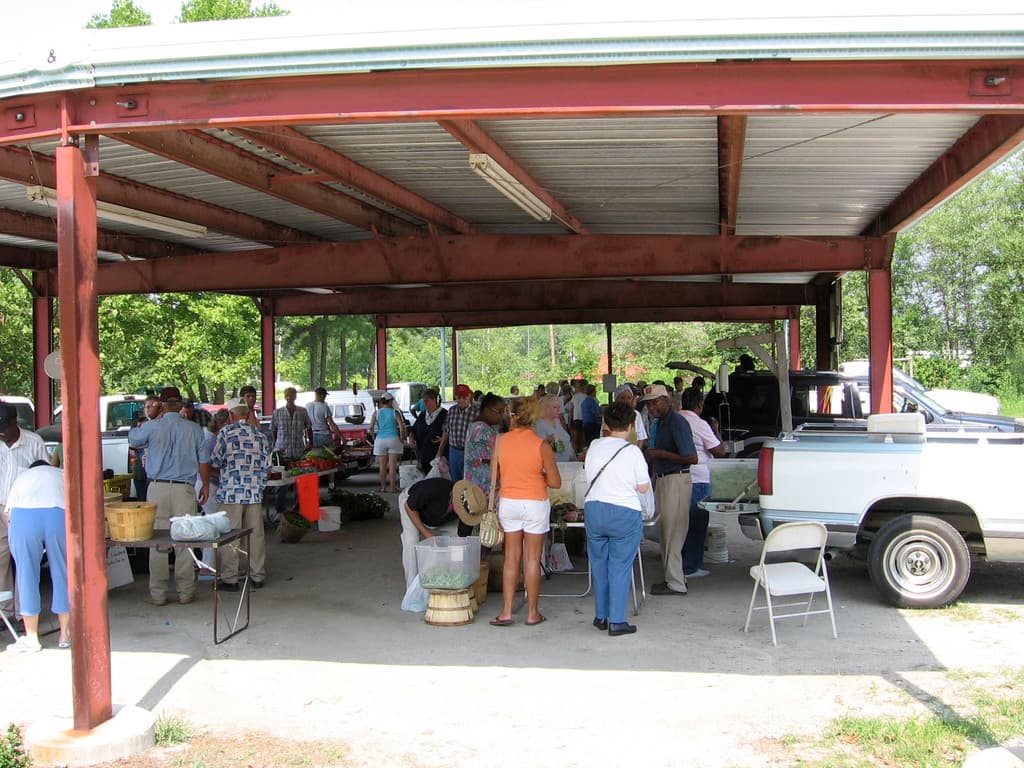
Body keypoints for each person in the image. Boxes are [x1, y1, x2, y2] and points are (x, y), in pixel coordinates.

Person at [128, 386, 211, 606]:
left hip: (157, 487)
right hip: (184, 488)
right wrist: (205, 486)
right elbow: (203, 460)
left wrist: (149, 417)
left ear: (161, 405)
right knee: (185, 540)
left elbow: (133, 440)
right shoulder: (193, 429)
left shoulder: (151, 427)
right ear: (181, 404)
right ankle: (185, 591)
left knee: (158, 541)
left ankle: (158, 593)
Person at [490, 398, 561, 628]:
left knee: (511, 558)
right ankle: (532, 613)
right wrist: (539, 473)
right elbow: (555, 482)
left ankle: (506, 611)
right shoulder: (541, 445)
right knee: (532, 558)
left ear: (513, 416)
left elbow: (497, 476)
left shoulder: (500, 441)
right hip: (535, 503)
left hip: (509, 502)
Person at [583, 402, 651, 637]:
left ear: (605, 424)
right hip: (624, 512)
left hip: (594, 509)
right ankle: (618, 620)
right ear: (631, 426)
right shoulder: (632, 451)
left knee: (599, 564)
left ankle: (601, 616)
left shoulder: (593, 445)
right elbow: (643, 487)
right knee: (620, 566)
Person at [4, 460, 70, 651]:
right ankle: (65, 634)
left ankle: (32, 637)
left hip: (24, 515)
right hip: (58, 513)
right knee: (62, 572)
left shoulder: (22, 477)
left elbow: (8, 517)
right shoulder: (61, 473)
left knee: (26, 575)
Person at [640, 384, 697, 597]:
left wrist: (660, 453)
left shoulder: (677, 422)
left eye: (655, 402)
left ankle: (676, 584)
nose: (652, 407)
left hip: (677, 479)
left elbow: (692, 458)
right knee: (666, 532)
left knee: (674, 533)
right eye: (648, 404)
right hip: (664, 479)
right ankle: (673, 578)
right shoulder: (661, 423)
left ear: (666, 400)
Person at [211, 402, 271, 590]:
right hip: (254, 493)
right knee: (256, 535)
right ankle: (257, 575)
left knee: (230, 535)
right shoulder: (260, 435)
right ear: (248, 414)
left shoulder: (226, 433)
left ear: (231, 415)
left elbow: (215, 460)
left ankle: (230, 578)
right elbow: (268, 467)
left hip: (231, 493)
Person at [0, 402, 48, 621]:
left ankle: (24, 614)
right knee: (0, 561)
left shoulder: (33, 442)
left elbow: (43, 475)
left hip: (25, 508)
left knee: (24, 560)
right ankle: (5, 612)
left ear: (14, 423)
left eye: (3, 428)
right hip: (0, 506)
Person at [398, 477, 480, 588]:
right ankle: (411, 587)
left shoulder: (469, 512)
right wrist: (427, 534)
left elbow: (461, 540)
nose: (462, 515)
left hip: (439, 517)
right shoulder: (435, 488)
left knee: (455, 543)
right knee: (411, 540)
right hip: (411, 507)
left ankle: (446, 583)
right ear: (454, 499)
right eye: (461, 511)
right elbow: (409, 506)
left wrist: (457, 570)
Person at [680, 388, 726, 579]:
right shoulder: (699, 424)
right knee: (697, 523)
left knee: (680, 523)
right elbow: (719, 451)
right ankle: (691, 566)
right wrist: (715, 429)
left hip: (678, 477)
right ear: (700, 405)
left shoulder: (673, 419)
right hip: (698, 478)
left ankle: (678, 561)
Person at [463, 393, 505, 494]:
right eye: (499, 412)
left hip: (473, 484)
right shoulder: (484, 431)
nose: (502, 415)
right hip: (484, 486)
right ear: (486, 410)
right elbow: (491, 460)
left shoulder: (474, 425)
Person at [436, 384, 478, 482]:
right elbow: (446, 431)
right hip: (453, 451)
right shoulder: (452, 411)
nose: (461, 400)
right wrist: (440, 451)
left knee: (468, 481)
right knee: (454, 481)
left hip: (470, 452)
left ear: (470, 396)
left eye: (464, 397)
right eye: (459, 397)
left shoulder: (477, 412)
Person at [369, 392, 406, 493]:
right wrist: (402, 438)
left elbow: (371, 428)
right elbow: (402, 427)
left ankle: (383, 487)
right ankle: (392, 488)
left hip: (380, 440)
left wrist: (373, 439)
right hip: (393, 438)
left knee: (382, 465)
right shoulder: (395, 412)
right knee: (392, 465)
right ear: (390, 401)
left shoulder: (376, 413)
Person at [409, 388, 447, 474]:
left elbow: (451, 432)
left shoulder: (445, 414)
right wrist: (411, 438)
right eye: (423, 402)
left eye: (427, 401)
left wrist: (443, 439)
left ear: (434, 400)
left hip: (438, 456)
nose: (425, 404)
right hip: (422, 455)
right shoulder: (422, 415)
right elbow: (413, 430)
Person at [132, 396, 163, 502]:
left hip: (158, 474)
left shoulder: (164, 424)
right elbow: (133, 443)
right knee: (142, 500)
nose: (149, 409)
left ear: (160, 408)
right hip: (141, 468)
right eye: (147, 407)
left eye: (152, 406)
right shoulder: (140, 423)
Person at [270, 387, 312, 460]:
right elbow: (273, 429)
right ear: (285, 397)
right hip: (282, 451)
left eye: (292, 395)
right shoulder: (277, 412)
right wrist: (275, 443)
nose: (290, 397)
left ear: (295, 397)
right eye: (287, 395)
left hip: (299, 450)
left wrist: (311, 443)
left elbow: (309, 427)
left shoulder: (302, 411)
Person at [533, 394, 573, 462]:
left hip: (566, 464)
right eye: (555, 407)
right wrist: (548, 441)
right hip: (552, 466)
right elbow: (540, 449)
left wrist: (574, 459)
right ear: (546, 408)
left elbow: (567, 445)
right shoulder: (540, 424)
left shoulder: (557, 422)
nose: (559, 410)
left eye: (559, 407)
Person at [613, 384, 648, 448]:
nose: (626, 401)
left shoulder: (636, 415)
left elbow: (640, 438)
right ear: (616, 399)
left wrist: (637, 453)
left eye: (629, 398)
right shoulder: (610, 414)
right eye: (622, 398)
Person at [568, 379, 588, 453]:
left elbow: (571, 410)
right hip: (581, 418)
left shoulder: (578, 396)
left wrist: (569, 420)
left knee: (576, 439)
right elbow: (572, 409)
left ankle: (577, 452)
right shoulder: (579, 396)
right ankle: (579, 452)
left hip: (577, 418)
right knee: (581, 438)